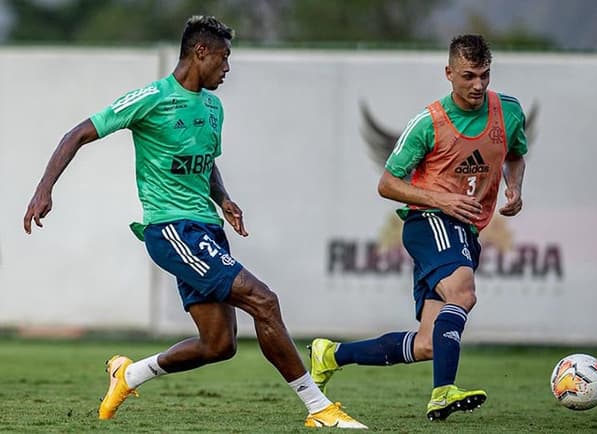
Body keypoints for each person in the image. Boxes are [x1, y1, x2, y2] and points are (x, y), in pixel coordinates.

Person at [23, 15, 367, 430]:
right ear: (199, 52)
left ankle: (128, 375)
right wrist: (45, 189)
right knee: (264, 300)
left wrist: (223, 199)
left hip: (206, 229)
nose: (227, 69)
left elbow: (206, 161)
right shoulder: (151, 98)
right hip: (171, 230)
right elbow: (78, 133)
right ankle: (319, 408)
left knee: (219, 344)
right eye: (223, 59)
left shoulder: (211, 106)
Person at [309, 34, 527, 422]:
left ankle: (330, 355)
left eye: (485, 76)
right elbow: (387, 184)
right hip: (430, 222)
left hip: (467, 229)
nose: (478, 85)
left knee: (427, 344)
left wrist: (515, 187)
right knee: (463, 291)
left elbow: (515, 153)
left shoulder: (508, 111)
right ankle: (442, 392)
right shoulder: (428, 123)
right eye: (469, 76)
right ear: (449, 74)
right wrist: (442, 199)